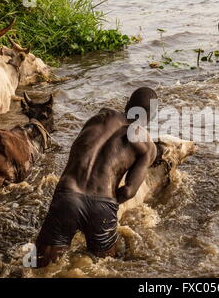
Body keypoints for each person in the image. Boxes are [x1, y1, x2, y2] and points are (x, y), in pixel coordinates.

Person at [35, 87, 158, 268]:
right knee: (104, 266)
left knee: (40, 266)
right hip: (102, 206)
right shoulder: (147, 146)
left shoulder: (100, 117)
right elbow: (129, 191)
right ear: (150, 117)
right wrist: (104, 206)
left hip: (68, 197)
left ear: (127, 104)